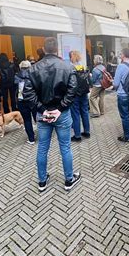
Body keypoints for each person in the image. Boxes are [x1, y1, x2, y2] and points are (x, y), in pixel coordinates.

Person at [23, 37, 81, 192]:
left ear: (44, 48)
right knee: (65, 147)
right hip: (61, 114)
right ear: (57, 49)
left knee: (42, 147)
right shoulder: (68, 67)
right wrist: (60, 109)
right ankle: (69, 179)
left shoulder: (33, 69)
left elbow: (27, 94)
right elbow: (72, 91)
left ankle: (42, 181)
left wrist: (43, 110)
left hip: (44, 114)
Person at [113, 48, 129, 143]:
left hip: (123, 94)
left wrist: (113, 85)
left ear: (123, 55)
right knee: (127, 114)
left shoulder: (121, 66)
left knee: (125, 115)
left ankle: (128, 136)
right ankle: (128, 132)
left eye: (120, 53)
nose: (120, 55)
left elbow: (116, 83)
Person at [69, 50, 91, 142]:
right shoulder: (83, 66)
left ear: (71, 57)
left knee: (75, 114)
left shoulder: (71, 67)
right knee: (85, 112)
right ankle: (87, 132)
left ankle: (77, 136)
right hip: (84, 93)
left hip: (75, 94)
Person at [15, 60, 36, 145]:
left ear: (20, 67)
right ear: (29, 66)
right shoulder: (34, 75)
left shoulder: (16, 76)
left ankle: (31, 139)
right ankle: (43, 136)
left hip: (21, 100)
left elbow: (15, 90)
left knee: (27, 120)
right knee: (38, 118)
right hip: (33, 100)